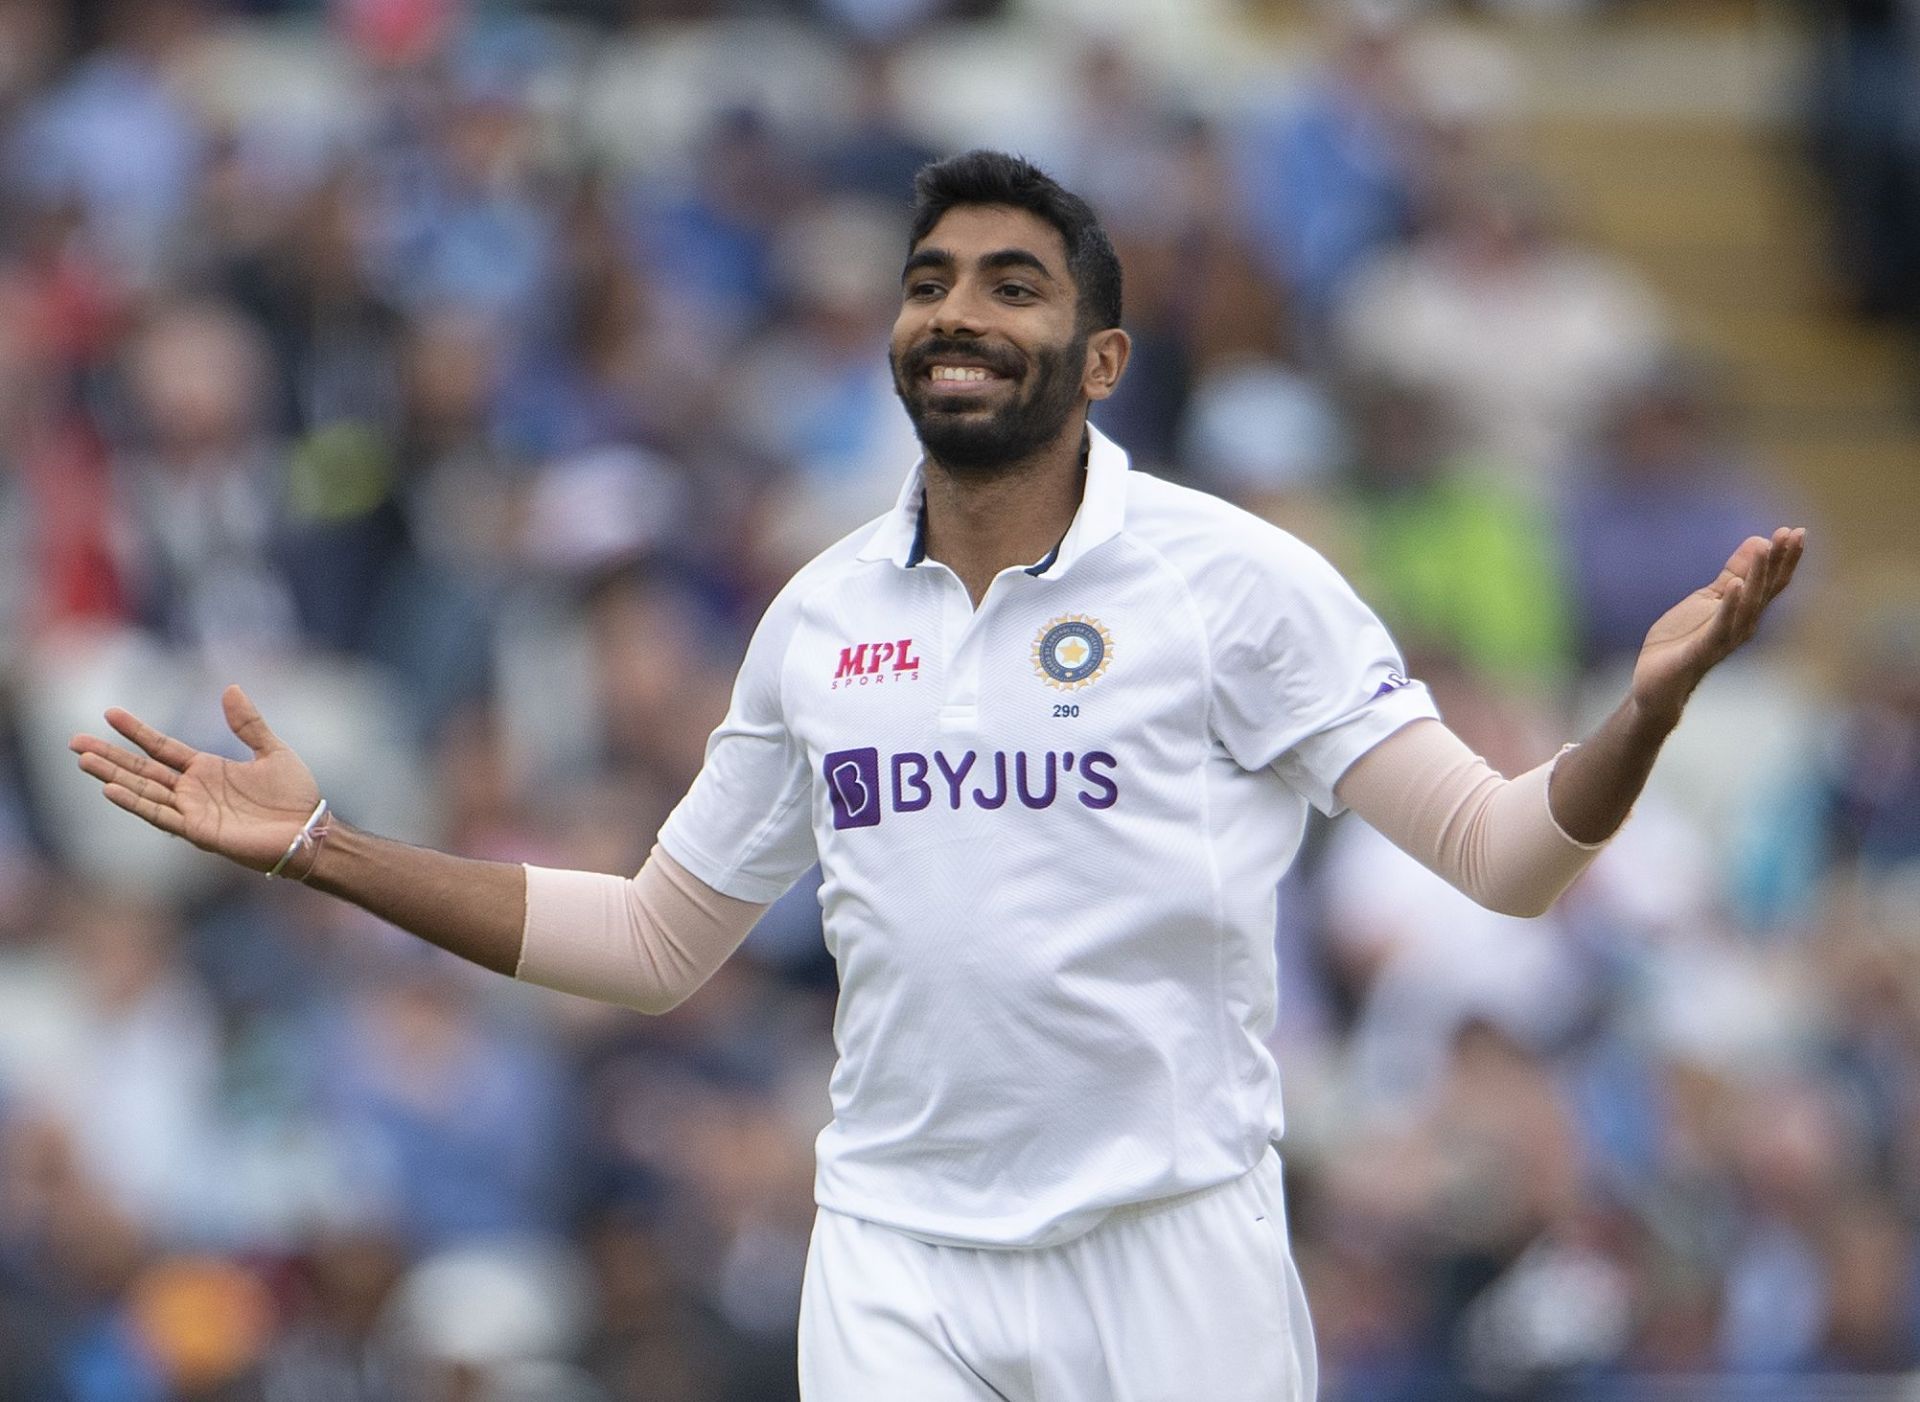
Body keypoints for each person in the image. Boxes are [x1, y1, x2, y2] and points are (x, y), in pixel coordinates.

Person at [70, 150, 1804, 1402]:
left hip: (1172, 1243)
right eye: (929, 281)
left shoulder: (1234, 583)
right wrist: (322, 843)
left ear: (1104, 361)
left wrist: (1640, 716)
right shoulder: (819, 616)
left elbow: (1502, 859)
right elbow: (660, 941)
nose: (956, 312)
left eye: (1012, 283)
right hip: (896, 1249)